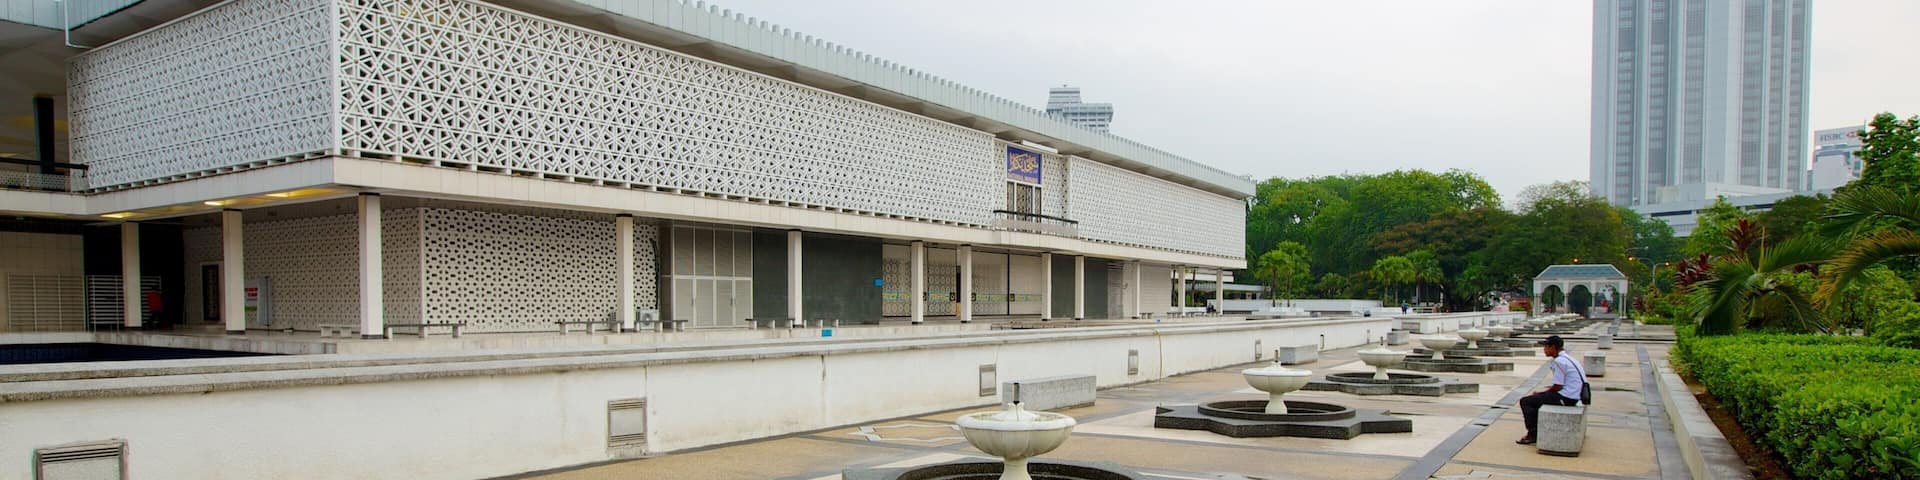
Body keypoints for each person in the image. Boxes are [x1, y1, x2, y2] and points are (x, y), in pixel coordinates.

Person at [1517, 335, 1584, 445]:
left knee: (1526, 401)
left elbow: (1558, 386)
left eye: (1545, 347)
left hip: (1567, 398)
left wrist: (1542, 393)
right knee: (1537, 399)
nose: (1544, 350)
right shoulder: (1568, 358)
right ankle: (1539, 430)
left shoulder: (1559, 361)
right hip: (1574, 395)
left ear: (1553, 347)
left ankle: (1533, 434)